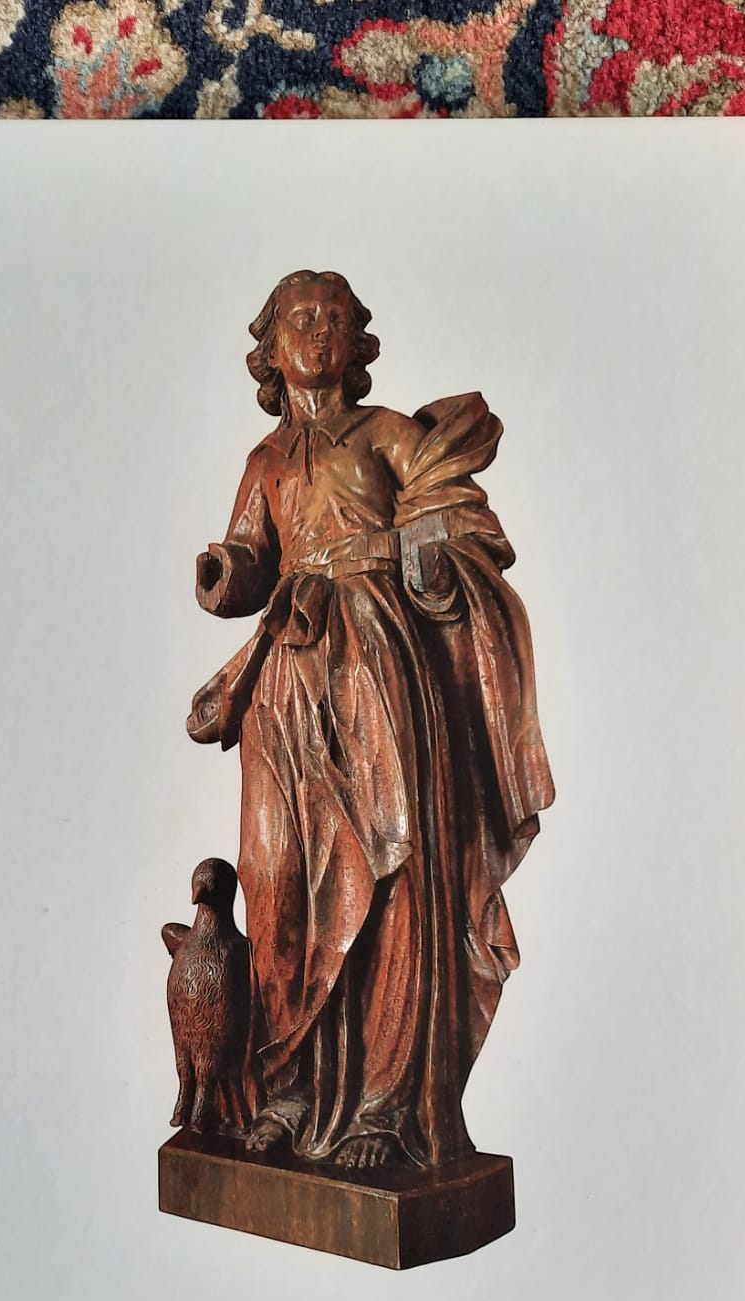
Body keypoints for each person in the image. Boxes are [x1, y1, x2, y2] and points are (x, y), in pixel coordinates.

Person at [187, 270, 554, 1171]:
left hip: (378, 663)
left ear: (356, 343)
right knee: (275, 876)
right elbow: (250, 555)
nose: (317, 331)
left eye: (333, 319)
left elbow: (458, 530)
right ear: (269, 348)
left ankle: (385, 1107)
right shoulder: (264, 460)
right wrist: (225, 573)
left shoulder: (388, 433)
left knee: (393, 876)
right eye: (298, 320)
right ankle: (286, 1091)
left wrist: (406, 554)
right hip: (286, 680)